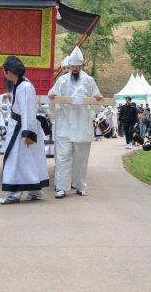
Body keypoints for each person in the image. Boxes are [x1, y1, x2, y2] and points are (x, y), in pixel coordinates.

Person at [48, 47, 103, 198]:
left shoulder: (89, 80)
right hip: (65, 123)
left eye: (78, 67)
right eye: (73, 66)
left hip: (82, 124)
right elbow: (52, 98)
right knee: (64, 156)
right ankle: (62, 187)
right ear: (69, 65)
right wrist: (52, 97)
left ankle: (80, 185)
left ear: (81, 66)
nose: (75, 69)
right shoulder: (62, 80)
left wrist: (97, 97)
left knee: (81, 157)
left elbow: (97, 103)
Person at [0, 55, 49, 204]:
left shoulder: (25, 87)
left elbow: (28, 111)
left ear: (9, 72)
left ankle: (14, 194)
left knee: (16, 160)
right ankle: (35, 191)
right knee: (28, 161)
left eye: (4, 71)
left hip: (23, 129)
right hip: (19, 126)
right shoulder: (19, 85)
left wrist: (29, 134)